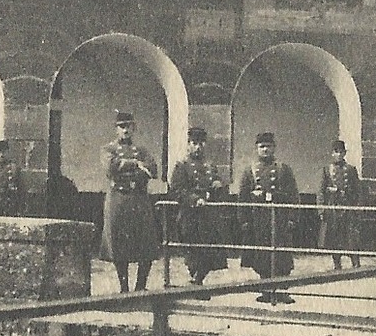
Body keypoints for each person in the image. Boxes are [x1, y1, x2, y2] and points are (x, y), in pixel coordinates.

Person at [100, 111, 160, 292]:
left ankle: (140, 286)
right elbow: (110, 168)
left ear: (134, 128)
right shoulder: (107, 149)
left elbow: (153, 169)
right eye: (122, 126)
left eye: (129, 126)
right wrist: (135, 164)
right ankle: (124, 287)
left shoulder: (142, 150)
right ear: (116, 129)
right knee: (119, 246)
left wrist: (132, 169)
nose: (126, 130)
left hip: (139, 200)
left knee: (146, 244)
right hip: (118, 201)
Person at [238, 132, 299, 304]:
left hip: (280, 218)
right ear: (257, 149)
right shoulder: (250, 171)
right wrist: (244, 221)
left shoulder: (283, 169)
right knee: (262, 256)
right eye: (262, 146)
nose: (265, 149)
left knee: (283, 256)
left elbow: (294, 195)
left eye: (268, 146)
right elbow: (242, 198)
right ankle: (266, 289)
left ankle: (282, 290)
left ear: (274, 148)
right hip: (259, 221)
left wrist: (292, 218)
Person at [168, 127, 229, 288]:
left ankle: (197, 282)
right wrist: (194, 199)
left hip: (208, 216)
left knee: (210, 250)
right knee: (192, 251)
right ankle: (196, 282)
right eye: (194, 143)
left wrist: (218, 185)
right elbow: (177, 190)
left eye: (201, 144)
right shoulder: (182, 166)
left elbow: (218, 185)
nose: (198, 147)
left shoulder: (210, 167)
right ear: (188, 145)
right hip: (190, 215)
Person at [317, 139, 363, 269]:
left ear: (344, 154)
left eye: (341, 152)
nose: (339, 154)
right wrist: (321, 210)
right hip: (333, 208)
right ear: (332, 153)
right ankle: (337, 264)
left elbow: (358, 190)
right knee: (334, 237)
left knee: (351, 237)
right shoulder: (327, 170)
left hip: (348, 206)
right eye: (336, 152)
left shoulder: (351, 169)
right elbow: (320, 191)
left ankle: (356, 263)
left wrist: (357, 208)